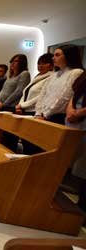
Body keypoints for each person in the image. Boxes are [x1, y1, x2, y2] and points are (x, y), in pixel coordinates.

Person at [15, 53, 54, 155]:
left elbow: (40, 96)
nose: (40, 66)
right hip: (25, 111)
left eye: (44, 63)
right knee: (25, 140)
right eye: (39, 63)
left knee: (32, 143)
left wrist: (22, 105)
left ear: (51, 65)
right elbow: (25, 92)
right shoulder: (37, 77)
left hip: (34, 112)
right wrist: (20, 105)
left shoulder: (51, 77)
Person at [35, 44, 84, 124]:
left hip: (57, 116)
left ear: (68, 56)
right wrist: (38, 112)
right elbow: (43, 95)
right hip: (42, 115)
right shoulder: (54, 74)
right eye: (53, 55)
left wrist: (46, 114)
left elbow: (65, 97)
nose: (53, 58)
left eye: (57, 55)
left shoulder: (76, 72)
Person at [66, 72, 86, 211]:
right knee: (79, 165)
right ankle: (81, 203)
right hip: (76, 124)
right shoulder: (83, 78)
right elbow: (74, 95)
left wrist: (79, 112)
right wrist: (71, 111)